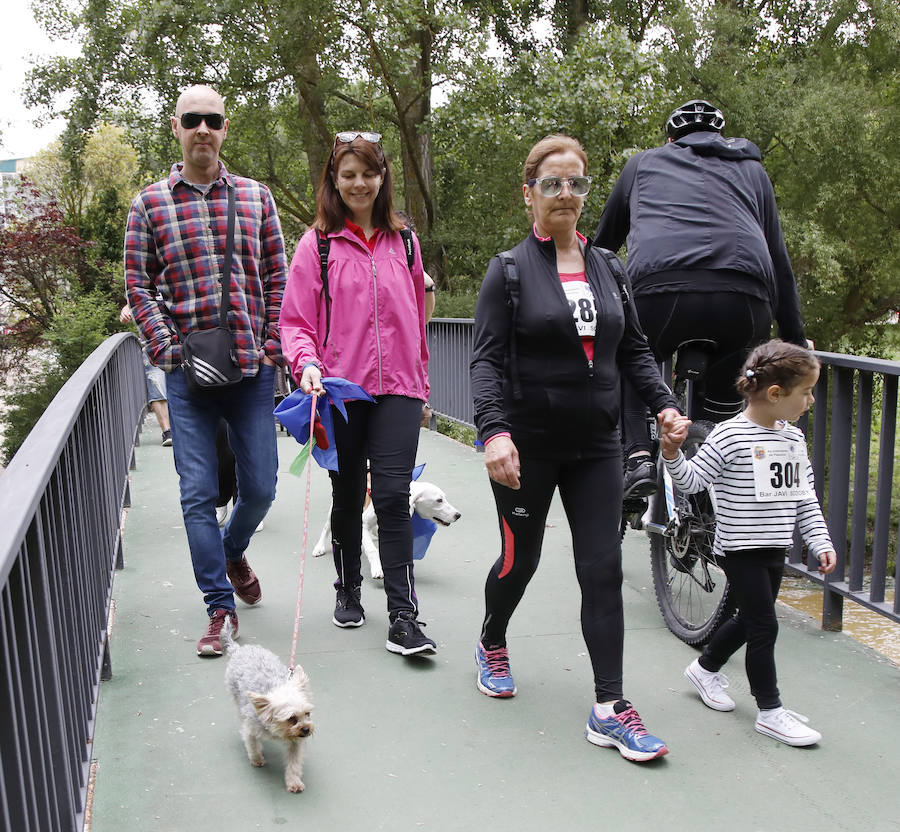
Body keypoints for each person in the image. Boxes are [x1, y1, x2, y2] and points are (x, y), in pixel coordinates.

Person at [470, 134, 681, 762]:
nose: (567, 194)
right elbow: (483, 362)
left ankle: (609, 707)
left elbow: (634, 350)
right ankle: (492, 638)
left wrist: (664, 403)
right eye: (553, 183)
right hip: (525, 447)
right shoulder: (509, 270)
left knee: (602, 568)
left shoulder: (609, 267)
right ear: (529, 193)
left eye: (578, 183)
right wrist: (493, 432)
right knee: (522, 559)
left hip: (597, 446)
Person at [125, 84, 287, 657]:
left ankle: (232, 546)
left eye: (211, 120)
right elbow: (138, 286)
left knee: (262, 486)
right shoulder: (148, 204)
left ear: (224, 128)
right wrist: (167, 348)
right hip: (187, 377)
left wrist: (272, 344)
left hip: (249, 370)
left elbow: (277, 278)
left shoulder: (255, 198)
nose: (202, 129)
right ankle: (219, 607)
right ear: (175, 127)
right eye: (191, 119)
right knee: (196, 494)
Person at [593, 100, 810, 499]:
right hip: (743, 301)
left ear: (671, 140)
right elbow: (779, 262)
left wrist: (590, 309)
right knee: (723, 404)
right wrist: (795, 341)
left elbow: (603, 248)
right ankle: (715, 485)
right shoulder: (753, 171)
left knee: (627, 358)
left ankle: (639, 457)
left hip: (661, 296)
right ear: (720, 137)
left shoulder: (641, 165)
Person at [279, 131, 436, 657]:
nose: (359, 184)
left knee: (392, 496)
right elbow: (296, 321)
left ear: (382, 176)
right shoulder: (317, 244)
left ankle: (403, 615)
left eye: (368, 173)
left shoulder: (405, 242)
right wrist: (305, 364)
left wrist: (420, 374)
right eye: (348, 174)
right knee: (347, 495)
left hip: (399, 390)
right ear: (334, 180)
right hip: (341, 389)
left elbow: (417, 310)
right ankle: (346, 587)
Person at [660, 339, 835, 746]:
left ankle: (704, 670)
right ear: (775, 394)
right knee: (764, 626)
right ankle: (770, 711)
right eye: (806, 392)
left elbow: (804, 497)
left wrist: (819, 540)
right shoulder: (730, 436)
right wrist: (671, 454)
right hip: (740, 548)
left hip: (775, 548)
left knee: (748, 619)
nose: (810, 400)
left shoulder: (793, 440)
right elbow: (692, 482)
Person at [120, 303, 172, 446]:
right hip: (152, 346)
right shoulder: (145, 287)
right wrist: (125, 311)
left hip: (177, 341)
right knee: (156, 385)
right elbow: (133, 303)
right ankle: (167, 431)